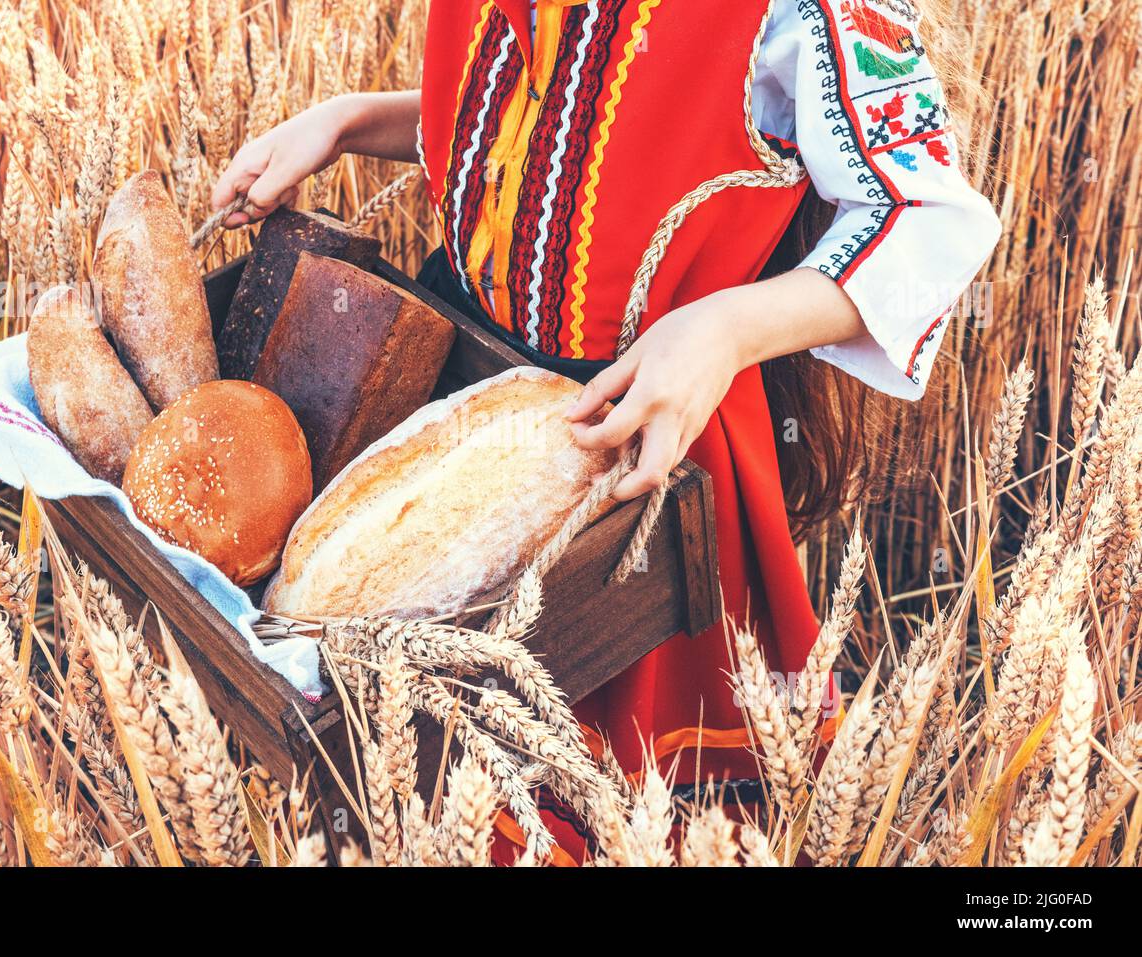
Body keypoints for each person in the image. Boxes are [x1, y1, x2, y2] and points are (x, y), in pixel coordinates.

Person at [212, 0, 1000, 864]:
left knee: (613, 812)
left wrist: (727, 329)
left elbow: (930, 219)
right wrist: (349, 119)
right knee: (419, 786)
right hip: (461, 409)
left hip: (641, 445)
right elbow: (539, 141)